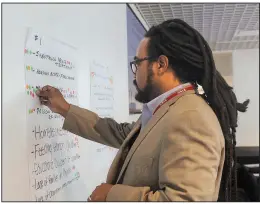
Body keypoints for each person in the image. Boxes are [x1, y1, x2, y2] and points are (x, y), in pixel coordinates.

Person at [36, 19, 249, 201]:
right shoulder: (170, 109)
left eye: (138, 62)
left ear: (161, 64)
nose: (135, 71)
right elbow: (122, 134)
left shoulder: (191, 118)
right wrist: (64, 109)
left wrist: (112, 195)